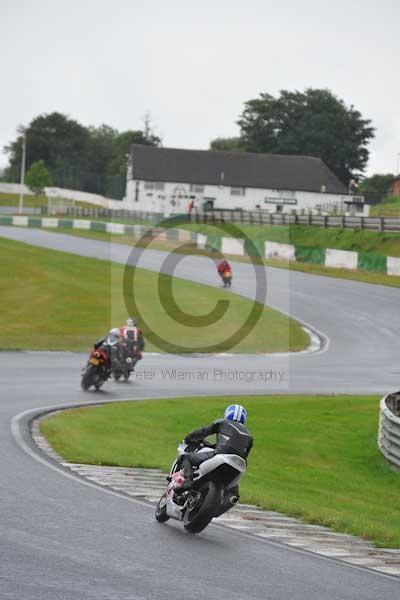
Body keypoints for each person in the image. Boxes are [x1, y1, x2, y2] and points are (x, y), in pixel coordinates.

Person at [174, 404, 253, 496]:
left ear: (227, 414)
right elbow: (244, 453)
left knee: (185, 458)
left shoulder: (223, 422)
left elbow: (203, 431)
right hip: (239, 465)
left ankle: (187, 481)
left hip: (222, 454)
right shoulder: (249, 435)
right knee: (233, 492)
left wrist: (188, 438)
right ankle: (230, 498)